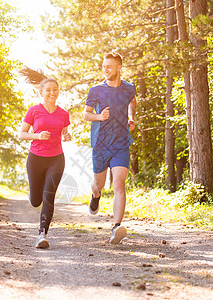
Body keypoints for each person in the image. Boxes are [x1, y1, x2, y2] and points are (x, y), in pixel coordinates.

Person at [83, 52, 137, 244]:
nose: (105, 70)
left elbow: (132, 102)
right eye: (104, 66)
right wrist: (99, 117)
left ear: (119, 68)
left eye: (109, 66)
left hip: (121, 143)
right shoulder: (96, 90)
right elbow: (86, 114)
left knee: (119, 185)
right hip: (101, 144)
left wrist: (131, 117)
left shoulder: (129, 88)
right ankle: (95, 195)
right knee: (99, 184)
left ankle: (116, 227)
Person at [18, 67, 71, 249]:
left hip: (56, 158)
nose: (52, 93)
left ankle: (42, 234)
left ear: (58, 92)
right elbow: (22, 134)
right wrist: (37, 136)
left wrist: (66, 136)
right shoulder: (33, 111)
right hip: (36, 159)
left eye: (55, 90)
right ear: (41, 93)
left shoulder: (63, 114)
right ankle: (35, 195)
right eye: (48, 90)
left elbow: (64, 132)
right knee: (35, 200)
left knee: (49, 196)